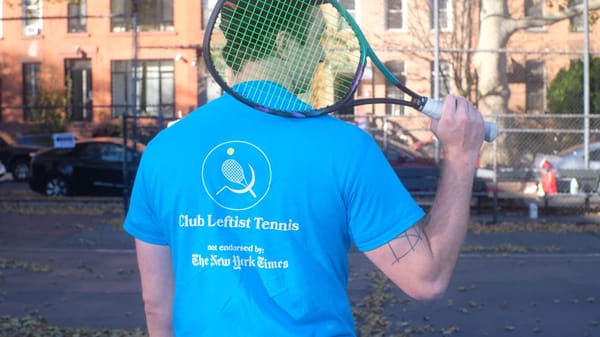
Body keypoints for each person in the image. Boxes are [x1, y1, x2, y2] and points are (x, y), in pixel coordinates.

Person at [123, 0, 485, 336]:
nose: (322, 54)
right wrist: (461, 156)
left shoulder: (162, 151)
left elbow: (156, 306)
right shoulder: (346, 148)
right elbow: (427, 278)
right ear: (284, 43)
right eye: (316, 39)